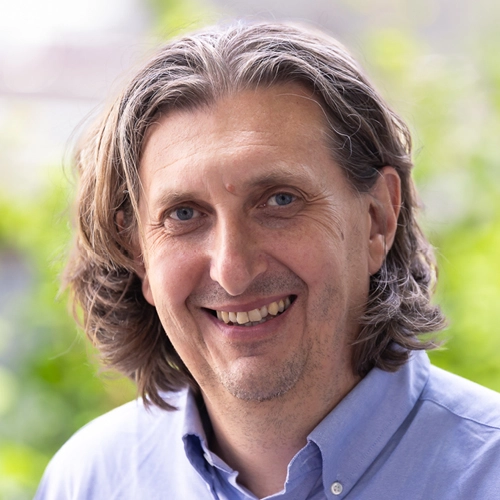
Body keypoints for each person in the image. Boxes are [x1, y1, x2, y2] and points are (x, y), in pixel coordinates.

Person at [35, 22, 500, 500]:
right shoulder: (89, 480)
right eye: (184, 214)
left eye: (280, 200)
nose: (232, 270)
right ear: (139, 256)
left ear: (377, 219)